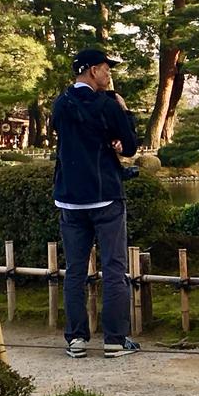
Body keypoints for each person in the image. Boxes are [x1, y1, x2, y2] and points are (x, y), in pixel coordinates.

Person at [52, 47, 143, 359]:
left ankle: (76, 339)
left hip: (69, 198)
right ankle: (115, 340)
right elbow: (130, 145)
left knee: (75, 270)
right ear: (91, 70)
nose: (108, 74)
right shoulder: (107, 103)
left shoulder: (61, 103)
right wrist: (123, 113)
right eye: (106, 68)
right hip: (105, 196)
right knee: (114, 267)